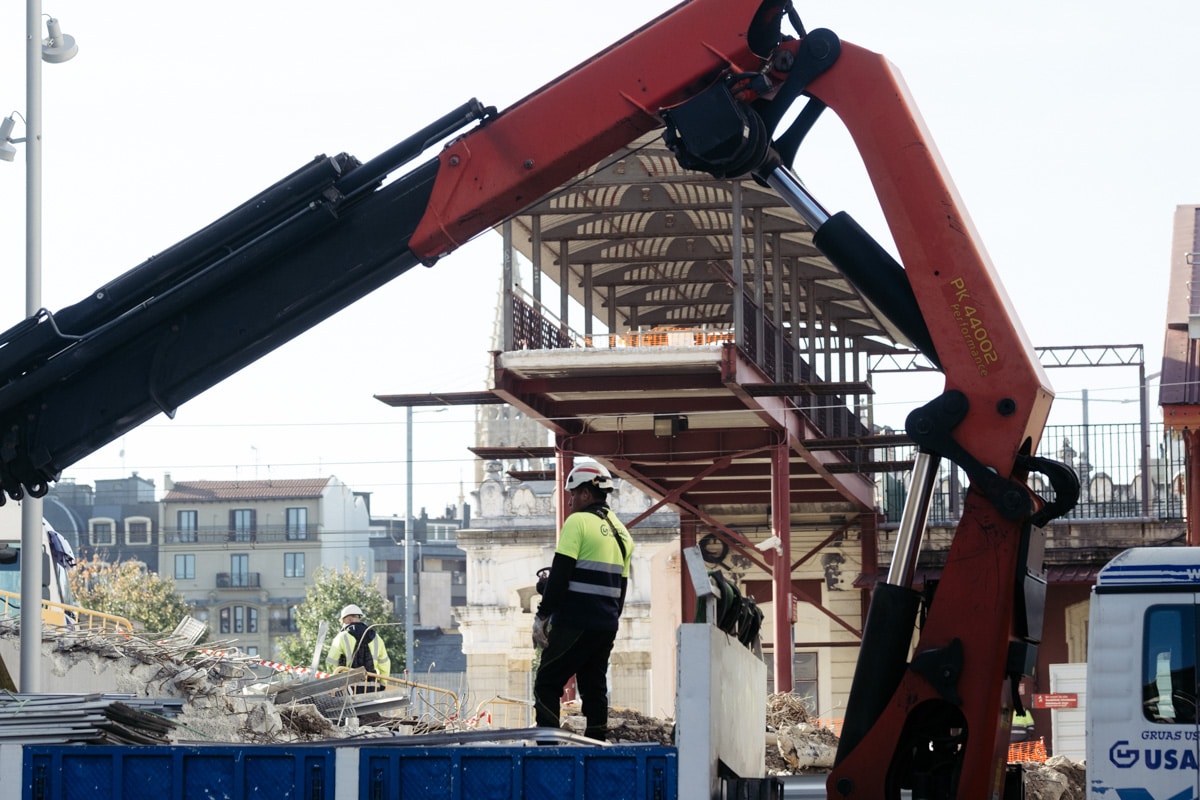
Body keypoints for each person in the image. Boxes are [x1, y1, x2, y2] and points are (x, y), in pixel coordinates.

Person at [532, 462, 633, 741]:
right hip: (605, 625)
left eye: (573, 493)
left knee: (547, 681)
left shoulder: (577, 523)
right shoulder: (622, 533)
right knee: (594, 684)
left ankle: (547, 744)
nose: (570, 500)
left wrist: (542, 615)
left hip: (575, 621)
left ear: (587, 494)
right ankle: (596, 741)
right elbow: (620, 589)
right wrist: (609, 620)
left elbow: (562, 573)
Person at [326, 604, 391, 692]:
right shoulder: (376, 637)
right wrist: (383, 684)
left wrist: (336, 681)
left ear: (349, 619)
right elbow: (385, 664)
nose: (343, 624)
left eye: (343, 621)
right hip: (372, 687)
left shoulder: (342, 637)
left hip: (349, 688)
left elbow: (331, 662)